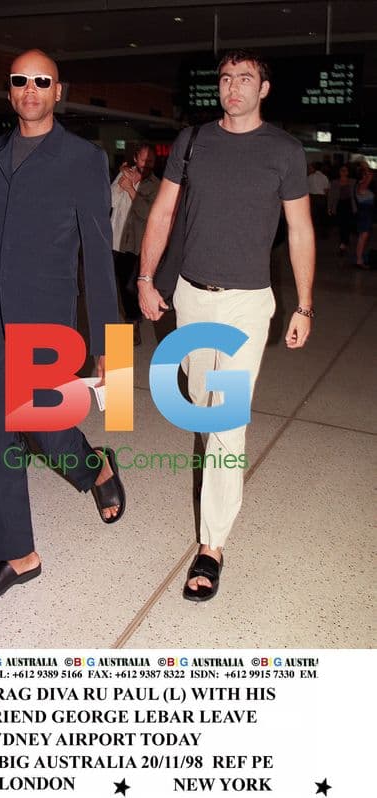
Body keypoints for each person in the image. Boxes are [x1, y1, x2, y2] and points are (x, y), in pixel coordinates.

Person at [138, 49, 315, 602]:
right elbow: (163, 213)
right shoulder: (193, 142)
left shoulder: (284, 151)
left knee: (226, 422)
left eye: (245, 79)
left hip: (246, 304)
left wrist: (304, 305)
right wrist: (146, 278)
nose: (232, 87)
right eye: (225, 79)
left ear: (264, 89)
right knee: (199, 398)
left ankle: (211, 546)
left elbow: (302, 230)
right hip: (191, 295)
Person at [0, 49, 125, 606]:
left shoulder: (81, 159)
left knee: (45, 426)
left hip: (45, 320)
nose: (30, 88)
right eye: (19, 80)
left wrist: (109, 348)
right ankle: (17, 553)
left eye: (41, 80)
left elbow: (98, 257)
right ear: (9, 92)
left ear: (58, 91)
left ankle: (95, 469)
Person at [111, 144, 159, 345]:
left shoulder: (155, 185)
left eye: (150, 161)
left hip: (138, 244)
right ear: (135, 158)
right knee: (121, 285)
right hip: (116, 241)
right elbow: (111, 200)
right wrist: (122, 182)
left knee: (131, 287)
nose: (146, 164)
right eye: (143, 159)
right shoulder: (124, 175)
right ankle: (131, 317)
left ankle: (133, 323)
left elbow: (147, 213)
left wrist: (131, 189)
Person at [327, 164, 356, 256]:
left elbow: (356, 194)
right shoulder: (334, 182)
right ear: (339, 172)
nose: (343, 172)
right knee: (342, 225)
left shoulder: (353, 182)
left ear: (348, 172)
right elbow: (331, 196)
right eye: (341, 170)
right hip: (339, 205)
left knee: (348, 225)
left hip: (349, 205)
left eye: (345, 170)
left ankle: (344, 243)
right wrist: (329, 207)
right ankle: (343, 244)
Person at [354, 161, 375, 269]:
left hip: (365, 213)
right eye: (365, 175)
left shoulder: (360, 186)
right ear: (363, 176)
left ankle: (359, 259)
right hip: (365, 214)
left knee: (362, 238)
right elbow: (370, 176)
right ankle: (359, 260)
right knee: (363, 238)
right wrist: (365, 167)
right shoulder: (361, 185)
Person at [307, 162, 329, 237]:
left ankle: (314, 233)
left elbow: (306, 189)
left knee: (314, 216)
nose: (309, 169)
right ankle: (323, 233)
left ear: (314, 168)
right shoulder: (324, 177)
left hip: (313, 198)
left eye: (310, 167)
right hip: (321, 198)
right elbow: (326, 190)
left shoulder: (309, 177)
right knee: (322, 216)